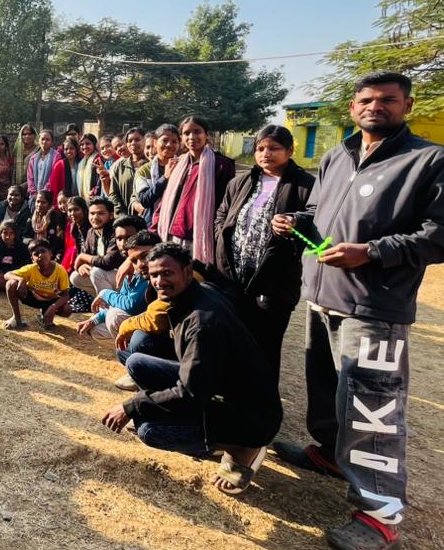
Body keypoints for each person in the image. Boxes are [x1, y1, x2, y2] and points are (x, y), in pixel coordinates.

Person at [270, 72, 444, 550]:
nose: (374, 106)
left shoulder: (432, 160)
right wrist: (296, 221)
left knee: (371, 408)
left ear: (407, 105)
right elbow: (318, 211)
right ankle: (329, 454)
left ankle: (380, 515)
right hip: (324, 294)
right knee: (326, 390)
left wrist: (374, 251)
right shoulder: (337, 156)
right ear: (353, 106)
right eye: (365, 99)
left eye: (387, 100)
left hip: (376, 306)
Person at [100, 243, 282, 498]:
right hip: (220, 385)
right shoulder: (196, 293)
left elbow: (191, 393)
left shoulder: (202, 323)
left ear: (187, 272)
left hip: (250, 414)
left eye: (167, 273)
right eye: (154, 275)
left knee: (150, 431)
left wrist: (133, 406)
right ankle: (203, 429)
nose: (159, 281)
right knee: (136, 362)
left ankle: (241, 448)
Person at [213, 125, 315, 382]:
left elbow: (317, 218)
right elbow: (222, 215)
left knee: (266, 343)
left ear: (290, 151)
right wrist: (221, 238)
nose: (266, 153)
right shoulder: (241, 181)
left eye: (274, 148)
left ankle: (262, 399)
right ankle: (234, 393)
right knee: (235, 338)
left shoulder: (306, 185)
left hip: (274, 280)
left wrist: (296, 221)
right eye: (260, 148)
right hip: (235, 275)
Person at [153, 115, 236, 265]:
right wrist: (154, 227)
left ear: (206, 135)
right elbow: (166, 200)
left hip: (200, 238)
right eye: (186, 133)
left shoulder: (221, 165)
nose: (191, 137)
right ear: (181, 137)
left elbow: (225, 205)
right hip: (172, 234)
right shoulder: (178, 164)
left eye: (197, 132)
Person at [76, 229, 158, 343]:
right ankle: (129, 350)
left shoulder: (158, 277)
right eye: (134, 261)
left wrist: (105, 293)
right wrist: (94, 319)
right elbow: (121, 303)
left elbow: (131, 306)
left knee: (114, 316)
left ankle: (132, 351)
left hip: (158, 332)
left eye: (145, 256)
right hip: (141, 323)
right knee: (96, 328)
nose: (140, 264)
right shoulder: (134, 274)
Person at [3, 239, 71, 330]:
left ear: (51, 253)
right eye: (36, 254)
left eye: (43, 251)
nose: (40, 255)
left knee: (67, 309)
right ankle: (16, 318)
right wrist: (21, 280)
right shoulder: (31, 268)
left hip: (50, 301)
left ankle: (45, 314)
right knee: (11, 284)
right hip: (34, 298)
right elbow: (7, 274)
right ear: (32, 259)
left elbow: (65, 295)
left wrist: (53, 307)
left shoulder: (60, 270)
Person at [70, 199, 131, 297]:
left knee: (96, 272)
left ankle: (109, 303)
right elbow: (85, 255)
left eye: (100, 213)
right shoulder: (91, 232)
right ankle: (105, 300)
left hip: (126, 277)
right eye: (92, 213)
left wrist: (82, 257)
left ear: (111, 215)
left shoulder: (116, 231)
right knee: (75, 277)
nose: (95, 217)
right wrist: (82, 266)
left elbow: (108, 262)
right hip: (107, 277)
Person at [128, 124, 180, 224]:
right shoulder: (144, 171)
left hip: (176, 222)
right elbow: (144, 200)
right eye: (165, 140)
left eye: (174, 141)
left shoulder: (183, 167)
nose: (169, 145)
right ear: (155, 142)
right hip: (152, 223)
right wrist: (165, 178)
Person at [0, 219, 30, 291]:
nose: (8, 236)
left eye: (11, 233)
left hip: (16, 274)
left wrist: (12, 274)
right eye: (5, 233)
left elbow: (25, 265)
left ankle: (12, 287)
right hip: (2, 274)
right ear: (0, 234)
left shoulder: (22, 247)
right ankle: (9, 288)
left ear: (15, 234)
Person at [26, 129, 61, 203]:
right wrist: (34, 193)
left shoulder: (56, 156)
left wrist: (43, 194)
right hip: (34, 197)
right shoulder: (33, 158)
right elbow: (30, 178)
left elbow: (53, 176)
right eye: (42, 139)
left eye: (47, 140)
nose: (44, 142)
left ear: (52, 142)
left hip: (49, 195)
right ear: (39, 140)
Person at [75, 134, 103, 200]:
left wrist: (94, 193)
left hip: (95, 198)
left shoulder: (98, 159)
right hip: (83, 199)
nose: (84, 147)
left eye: (88, 144)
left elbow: (99, 181)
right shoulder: (81, 163)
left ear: (94, 145)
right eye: (82, 144)